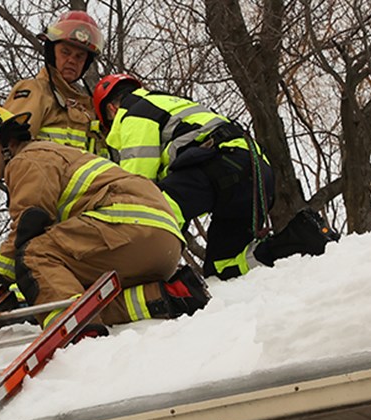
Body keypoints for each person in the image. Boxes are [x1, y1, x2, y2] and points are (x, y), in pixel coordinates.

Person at [0, 104, 207, 325]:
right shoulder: (54, 153)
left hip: (127, 229)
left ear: (6, 141)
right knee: (73, 289)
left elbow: (29, 223)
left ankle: (75, 328)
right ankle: (164, 297)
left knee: (32, 254)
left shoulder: (27, 159)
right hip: (160, 244)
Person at [92, 73, 275, 279]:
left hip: (222, 165)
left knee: (150, 210)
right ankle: (290, 246)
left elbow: (139, 187)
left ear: (111, 109)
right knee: (223, 268)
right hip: (257, 172)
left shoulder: (135, 113)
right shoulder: (168, 104)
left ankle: (137, 273)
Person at [5, 10, 107, 156]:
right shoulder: (35, 91)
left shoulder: (86, 107)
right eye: (65, 52)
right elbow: (11, 149)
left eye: (79, 56)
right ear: (51, 53)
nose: (72, 60)